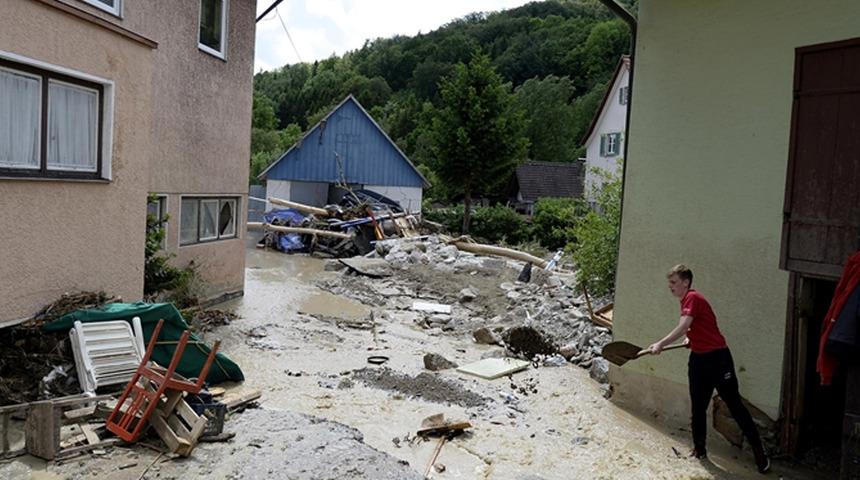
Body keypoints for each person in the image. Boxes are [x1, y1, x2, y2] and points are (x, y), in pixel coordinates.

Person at [648, 264, 770, 474]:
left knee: (735, 406)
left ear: (686, 282)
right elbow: (694, 326)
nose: (670, 287)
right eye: (669, 283)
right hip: (699, 360)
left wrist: (660, 344)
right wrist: (691, 338)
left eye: (674, 282)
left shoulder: (693, 298)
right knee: (698, 406)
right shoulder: (686, 301)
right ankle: (700, 450)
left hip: (718, 359)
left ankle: (760, 455)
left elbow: (685, 324)